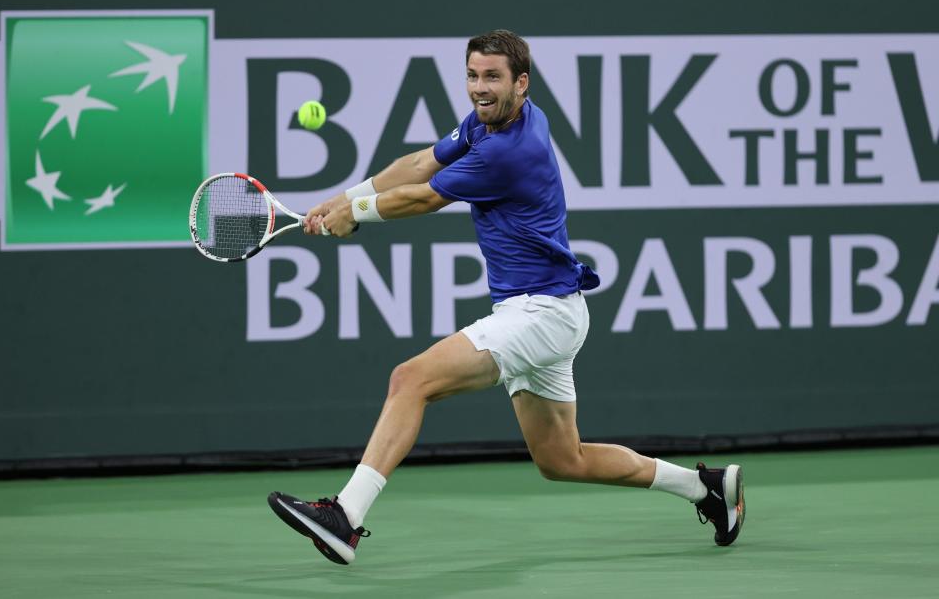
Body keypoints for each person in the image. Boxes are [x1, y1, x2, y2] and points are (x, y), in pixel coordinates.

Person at [267, 29, 745, 565]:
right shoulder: (495, 118)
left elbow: (425, 196)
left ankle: (345, 518)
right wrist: (342, 199)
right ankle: (706, 488)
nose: (479, 87)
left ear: (521, 82)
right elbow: (423, 163)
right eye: (472, 75)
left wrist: (355, 216)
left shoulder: (510, 150)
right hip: (548, 312)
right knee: (563, 459)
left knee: (411, 378)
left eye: (492, 76)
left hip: (540, 312)